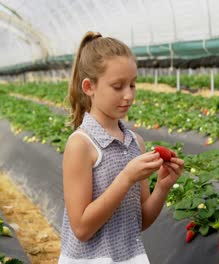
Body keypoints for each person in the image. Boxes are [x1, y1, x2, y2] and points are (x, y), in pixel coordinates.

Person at [59, 31, 184, 264]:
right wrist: (126, 178)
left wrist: (163, 188)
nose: (128, 95)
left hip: (130, 257)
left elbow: (141, 219)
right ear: (89, 87)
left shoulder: (135, 143)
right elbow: (81, 228)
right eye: (118, 86)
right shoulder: (81, 145)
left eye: (132, 85)